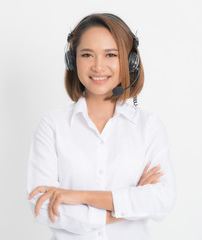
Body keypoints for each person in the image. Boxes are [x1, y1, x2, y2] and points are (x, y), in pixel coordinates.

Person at [27, 13, 176, 240]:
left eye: (111, 55)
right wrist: (127, 204)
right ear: (72, 60)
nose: (98, 66)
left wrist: (78, 196)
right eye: (87, 54)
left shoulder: (149, 127)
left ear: (129, 61)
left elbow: (162, 200)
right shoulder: (53, 125)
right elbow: (43, 207)